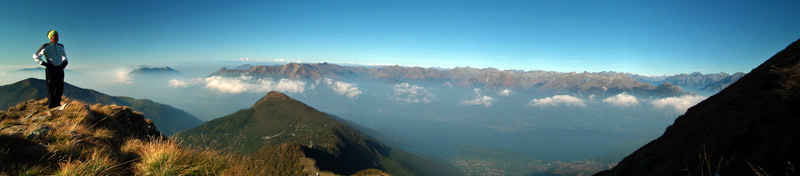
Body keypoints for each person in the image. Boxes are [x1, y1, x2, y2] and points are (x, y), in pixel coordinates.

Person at [33, 29, 68, 109]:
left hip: (60, 69)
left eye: (57, 35)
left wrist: (65, 63)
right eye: (54, 35)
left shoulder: (61, 46)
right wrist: (45, 64)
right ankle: (51, 106)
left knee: (60, 87)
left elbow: (65, 56)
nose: (56, 37)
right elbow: (35, 56)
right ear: (50, 37)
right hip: (51, 70)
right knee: (51, 88)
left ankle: (57, 104)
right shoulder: (45, 46)